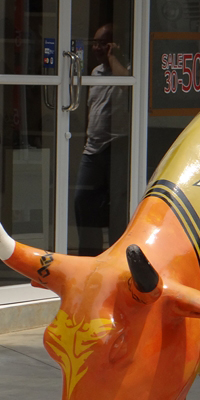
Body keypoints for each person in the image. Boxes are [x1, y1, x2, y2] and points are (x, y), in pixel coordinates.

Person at [74, 23, 130, 256]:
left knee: (118, 206)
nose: (96, 48)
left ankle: (116, 255)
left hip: (117, 146)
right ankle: (89, 255)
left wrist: (113, 58)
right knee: (82, 201)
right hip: (93, 149)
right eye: (95, 43)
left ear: (114, 45)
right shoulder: (95, 72)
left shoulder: (126, 69)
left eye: (102, 43)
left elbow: (128, 87)